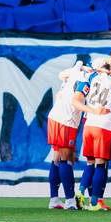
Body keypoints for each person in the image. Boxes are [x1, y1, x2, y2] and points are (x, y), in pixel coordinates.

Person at [72, 50, 111, 210]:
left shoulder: (92, 77)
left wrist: (92, 110)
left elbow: (77, 97)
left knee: (90, 163)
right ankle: (95, 202)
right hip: (104, 126)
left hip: (89, 124)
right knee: (100, 164)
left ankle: (80, 191)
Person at [46, 61, 90, 209]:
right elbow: (75, 101)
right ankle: (70, 200)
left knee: (57, 158)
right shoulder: (85, 79)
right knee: (65, 159)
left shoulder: (73, 74)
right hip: (66, 120)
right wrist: (92, 110)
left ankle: (54, 199)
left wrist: (79, 66)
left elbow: (61, 74)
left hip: (56, 117)